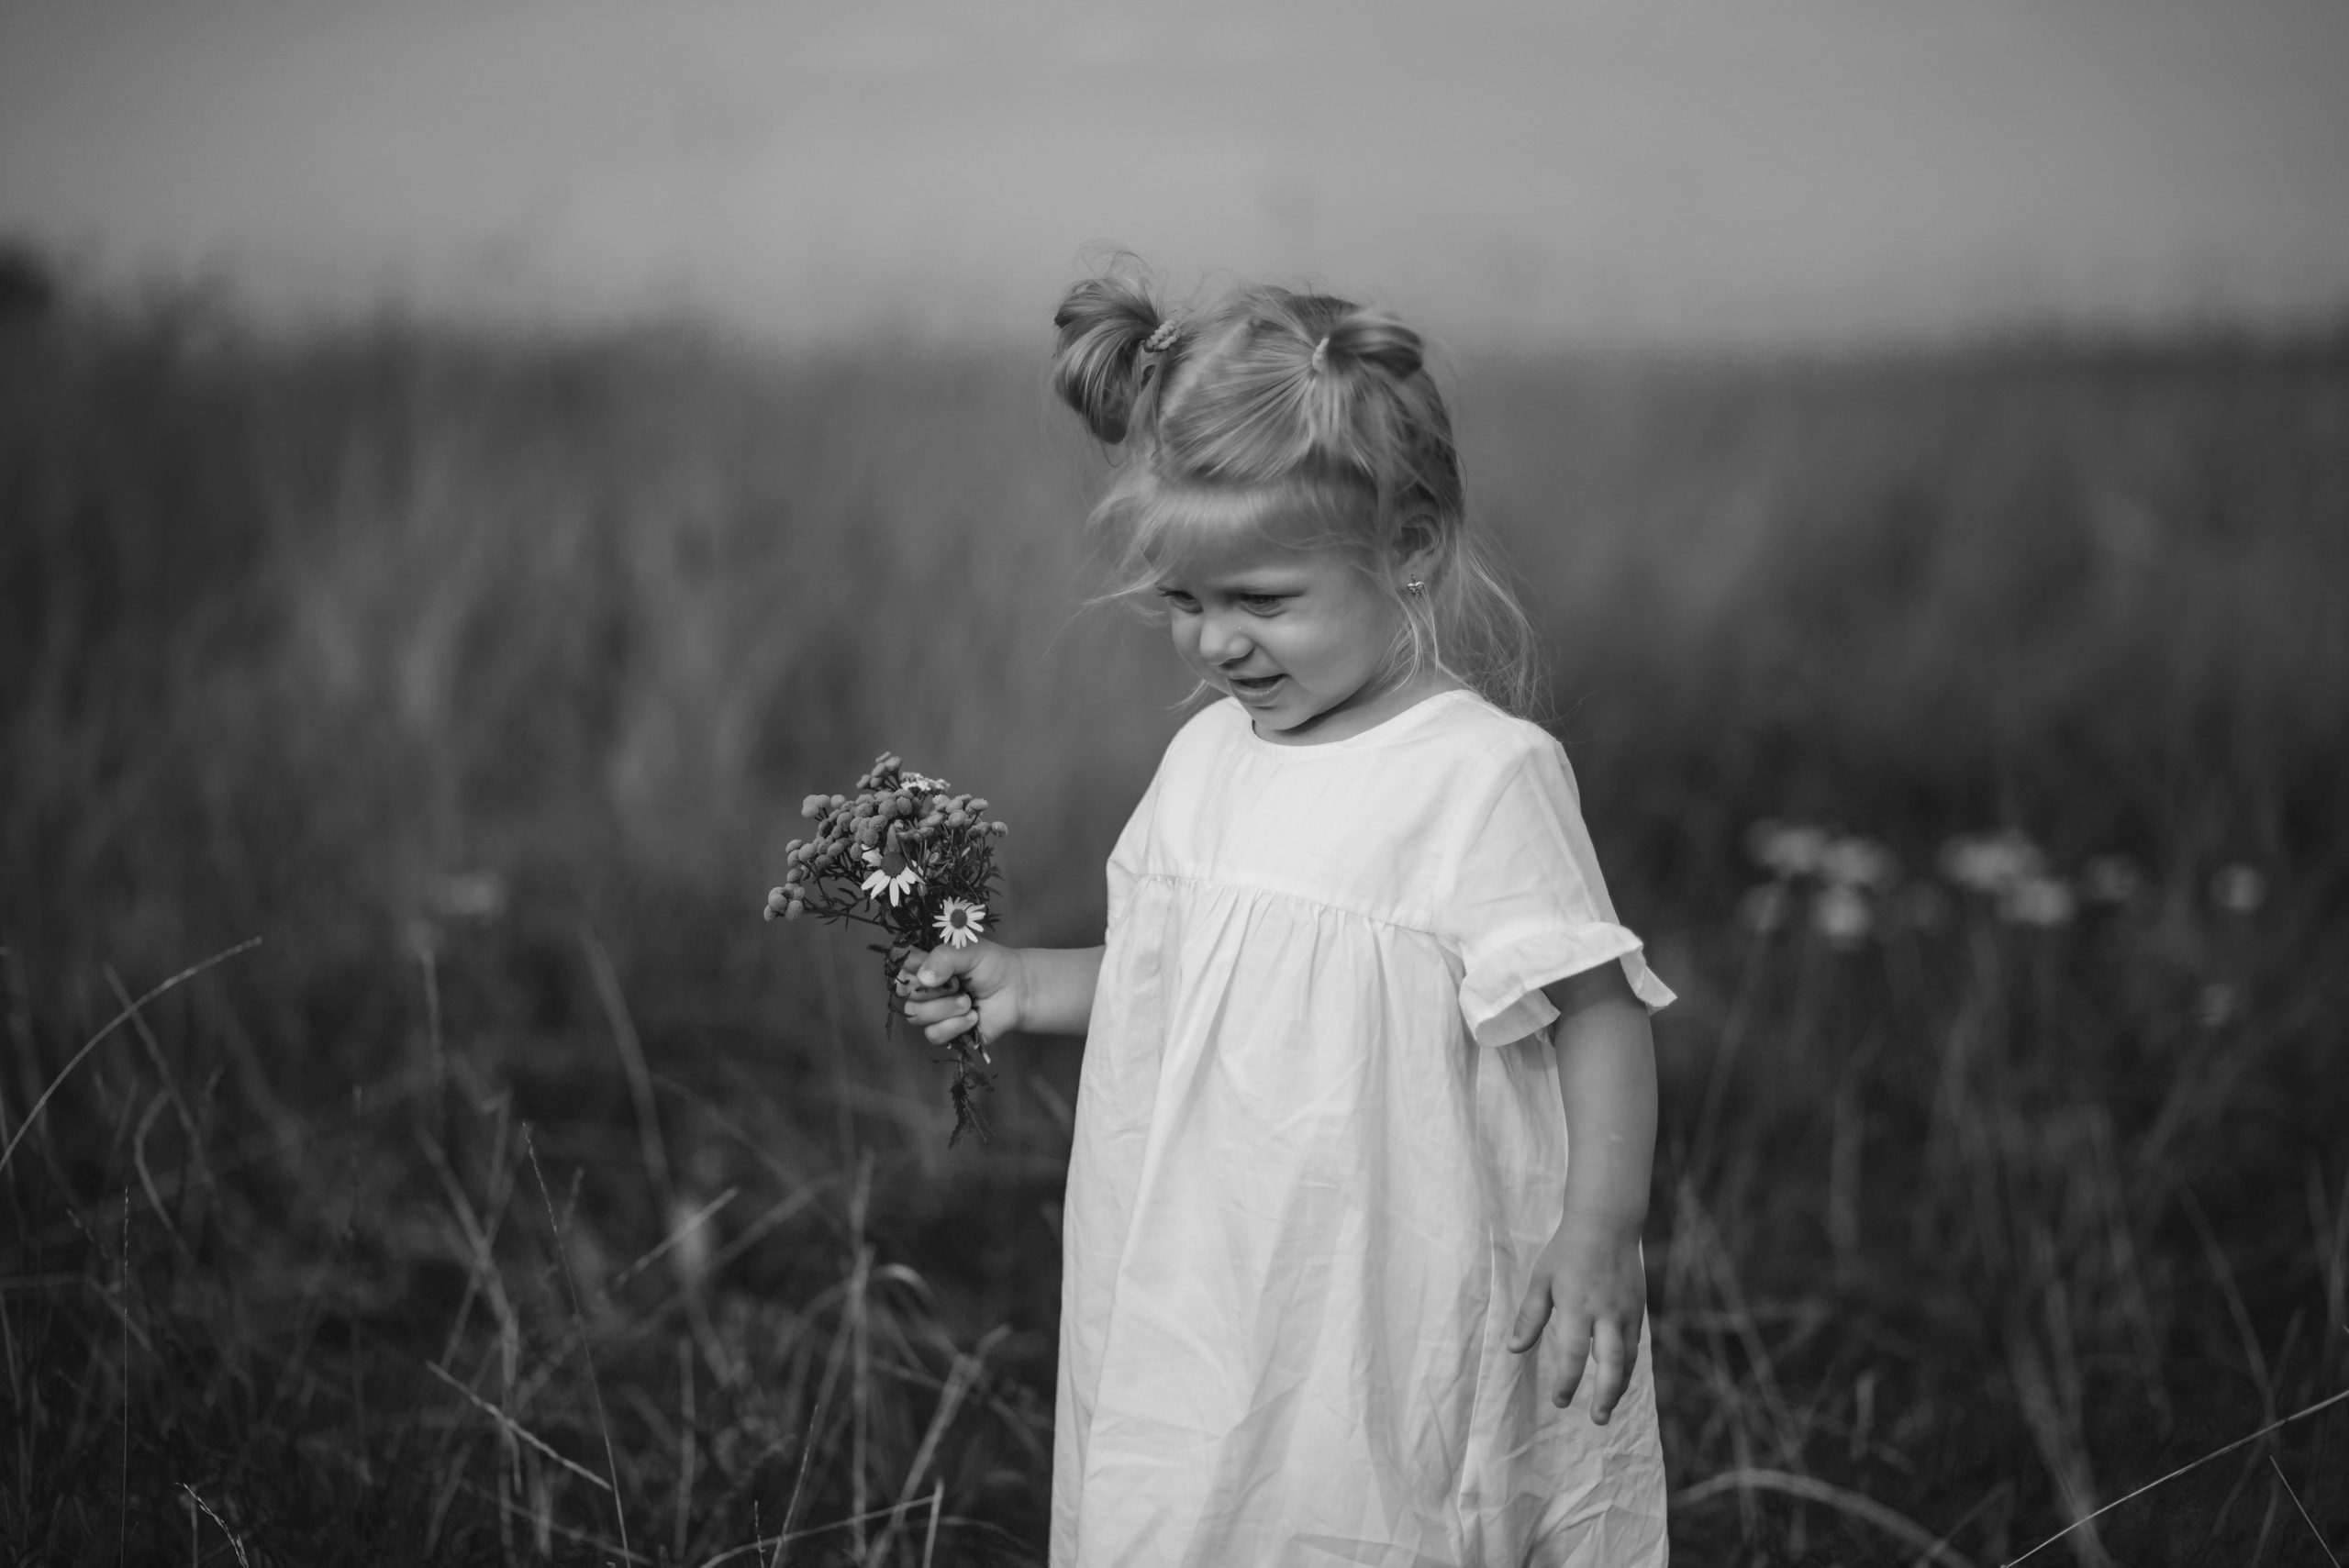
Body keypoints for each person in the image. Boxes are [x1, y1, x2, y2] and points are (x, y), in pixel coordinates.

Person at [898, 267, 1674, 1566]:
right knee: (1199, 1494)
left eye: (1262, 601)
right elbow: (1182, 975)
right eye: (1184, 602)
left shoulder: (1476, 776)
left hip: (1377, 1279)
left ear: (1409, 549)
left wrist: (1600, 1223)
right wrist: (1028, 985)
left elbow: (1600, 1011)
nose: (1217, 645)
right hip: (1199, 1265)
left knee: (1364, 1504)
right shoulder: (1207, 757)